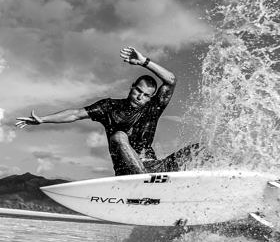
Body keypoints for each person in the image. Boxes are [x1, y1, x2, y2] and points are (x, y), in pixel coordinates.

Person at [16, 46, 201, 175]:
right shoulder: (110, 107)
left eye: (145, 95)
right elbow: (76, 113)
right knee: (119, 136)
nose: (140, 97)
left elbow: (171, 80)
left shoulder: (153, 108)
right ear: (132, 87)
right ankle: (143, 180)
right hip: (127, 172)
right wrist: (43, 120)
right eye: (138, 91)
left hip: (154, 168)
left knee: (197, 149)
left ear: (150, 98)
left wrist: (144, 62)